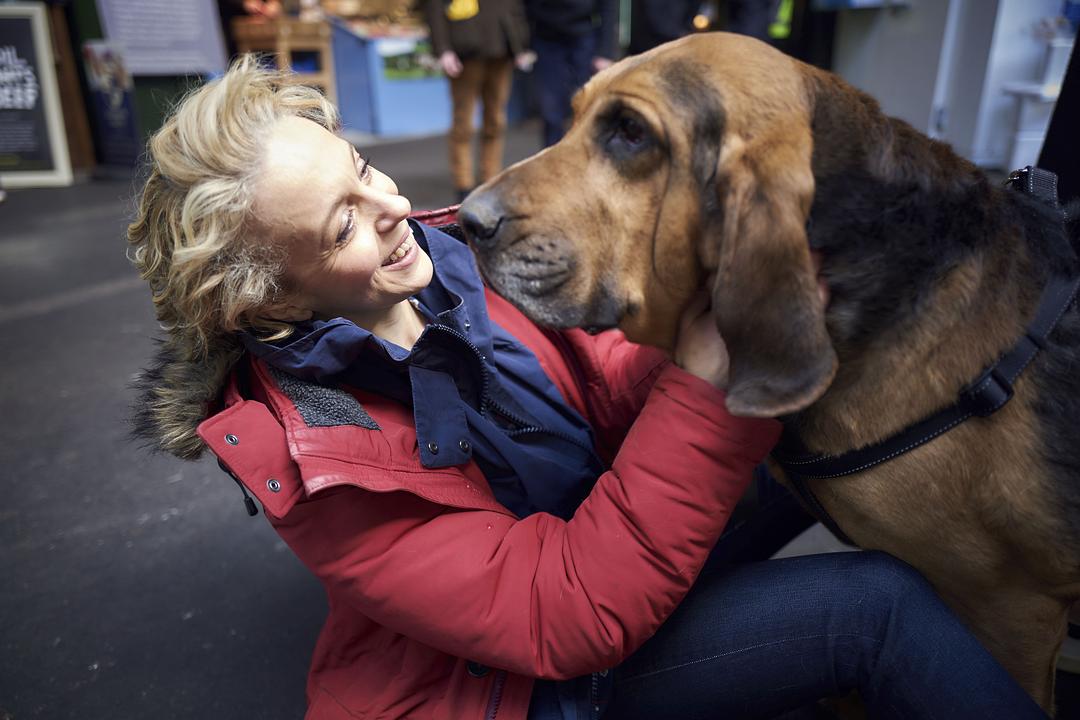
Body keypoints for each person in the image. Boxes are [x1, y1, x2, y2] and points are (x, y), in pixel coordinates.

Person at [128, 58, 1049, 720]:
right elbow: (560, 615)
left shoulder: (439, 263)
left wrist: (729, 297)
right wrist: (702, 378)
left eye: (365, 170)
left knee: (788, 453)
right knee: (873, 610)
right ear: (273, 295)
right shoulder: (313, 455)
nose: (398, 208)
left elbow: (605, 394)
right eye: (342, 226)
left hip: (593, 536)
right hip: (534, 683)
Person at [424, 0, 532, 203]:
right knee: (463, 123)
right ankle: (463, 184)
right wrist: (443, 49)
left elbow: (514, 6)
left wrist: (520, 43)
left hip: (501, 49)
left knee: (496, 120)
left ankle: (490, 179)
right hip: (464, 51)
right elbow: (434, 6)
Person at [525, 0, 619, 147]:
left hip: (584, 36)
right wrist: (524, 43)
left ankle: (583, 158)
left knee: (586, 107)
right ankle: (552, 162)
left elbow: (608, 7)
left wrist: (605, 51)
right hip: (546, 38)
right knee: (550, 113)